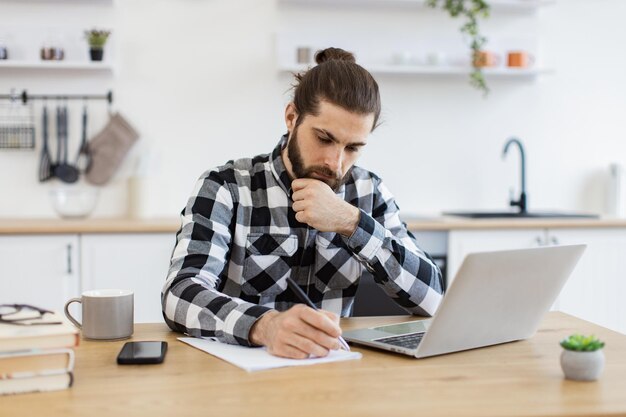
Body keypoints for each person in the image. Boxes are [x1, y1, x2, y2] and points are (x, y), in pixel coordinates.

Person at [162, 47, 444, 359]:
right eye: (324, 139)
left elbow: (433, 299)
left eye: (353, 147)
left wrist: (352, 223)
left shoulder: (370, 192)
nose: (335, 164)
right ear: (291, 117)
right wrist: (266, 326)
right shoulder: (226, 186)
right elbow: (179, 294)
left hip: (333, 374)